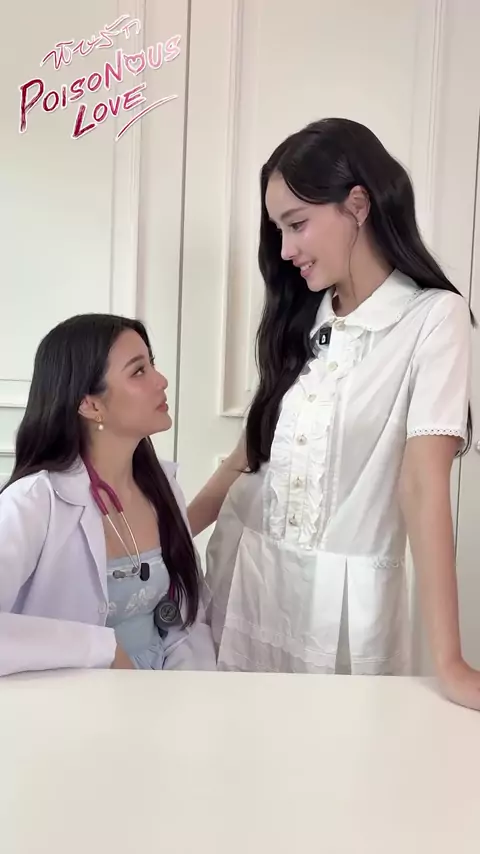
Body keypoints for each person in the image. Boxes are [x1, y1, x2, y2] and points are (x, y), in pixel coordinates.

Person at [187, 117, 480, 711]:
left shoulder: (433, 319)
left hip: (342, 616)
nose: (285, 250)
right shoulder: (300, 317)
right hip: (246, 583)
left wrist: (450, 662)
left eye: (297, 224)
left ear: (358, 205)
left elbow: (422, 484)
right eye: (278, 230)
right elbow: (246, 457)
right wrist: (154, 548)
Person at [0, 313, 216, 676]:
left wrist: (187, 690)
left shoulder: (163, 488)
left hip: (168, 694)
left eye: (152, 365)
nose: (161, 381)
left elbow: (187, 624)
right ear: (90, 405)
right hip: (74, 705)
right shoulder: (34, 503)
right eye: (138, 371)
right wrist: (99, 648)